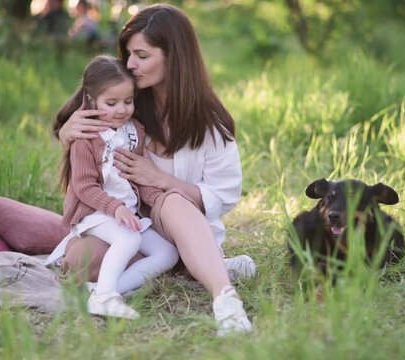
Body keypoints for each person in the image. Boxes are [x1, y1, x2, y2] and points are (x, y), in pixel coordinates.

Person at [54, 4, 255, 336]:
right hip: (123, 221)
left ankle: (225, 299)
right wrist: (66, 134)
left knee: (172, 199)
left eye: (142, 56)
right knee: (80, 262)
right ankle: (200, 266)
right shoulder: (120, 98)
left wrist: (161, 180)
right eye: (128, 54)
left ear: (173, 57)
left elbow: (226, 195)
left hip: (174, 220)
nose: (130, 64)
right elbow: (76, 144)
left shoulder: (209, 122)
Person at [46, 55, 179, 319]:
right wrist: (115, 207)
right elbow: (83, 187)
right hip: (95, 213)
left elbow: (136, 177)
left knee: (167, 252)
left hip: (125, 213)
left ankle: (105, 291)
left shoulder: (134, 132)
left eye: (128, 101)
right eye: (111, 103)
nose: (121, 109)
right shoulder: (86, 136)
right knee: (129, 238)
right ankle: (105, 297)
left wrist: (162, 201)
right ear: (92, 99)